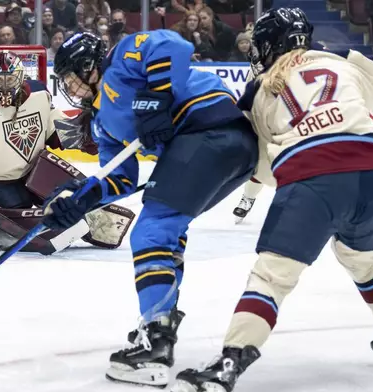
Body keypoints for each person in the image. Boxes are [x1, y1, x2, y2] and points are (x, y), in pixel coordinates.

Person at [170, 8, 373, 392]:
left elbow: (261, 164)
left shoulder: (257, 91)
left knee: (273, 275)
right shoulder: (342, 60)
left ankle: (229, 362)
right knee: (359, 256)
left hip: (315, 180)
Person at [45, 31, 259, 387]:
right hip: (222, 152)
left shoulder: (120, 59)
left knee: (151, 230)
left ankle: (157, 343)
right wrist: (80, 200)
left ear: (87, 65)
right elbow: (120, 179)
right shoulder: (102, 123)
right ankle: (158, 323)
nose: (71, 87)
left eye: (70, 78)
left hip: (210, 130)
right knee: (168, 231)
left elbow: (172, 45)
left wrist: (155, 97)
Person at [0, 50, 135, 254]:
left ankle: (89, 218)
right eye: (0, 79)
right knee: (26, 211)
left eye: (10, 79)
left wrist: (84, 137)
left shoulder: (40, 94)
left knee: (70, 193)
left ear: (21, 76)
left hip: (36, 171)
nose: (5, 84)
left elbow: (54, 128)